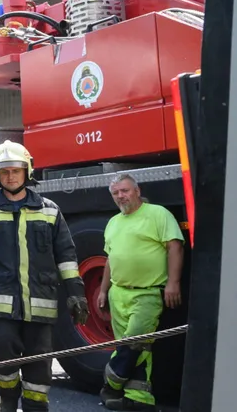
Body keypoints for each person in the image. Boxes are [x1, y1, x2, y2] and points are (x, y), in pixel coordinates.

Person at [0, 141, 88, 412]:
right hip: (1, 302)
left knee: (40, 363)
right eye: (4, 171)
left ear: (27, 171)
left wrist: (76, 293)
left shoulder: (50, 209)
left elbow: (66, 255)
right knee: (2, 354)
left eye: (16, 170)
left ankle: (35, 408)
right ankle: (7, 401)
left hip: (40, 303)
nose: (10, 176)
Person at [97, 174, 184, 411]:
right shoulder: (114, 222)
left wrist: (173, 284)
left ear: (137, 190)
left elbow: (174, 246)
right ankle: (139, 399)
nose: (120, 196)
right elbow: (110, 260)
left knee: (133, 342)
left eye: (124, 191)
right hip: (118, 293)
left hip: (147, 293)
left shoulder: (158, 214)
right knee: (140, 347)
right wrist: (104, 290)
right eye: (115, 193)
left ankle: (110, 383)